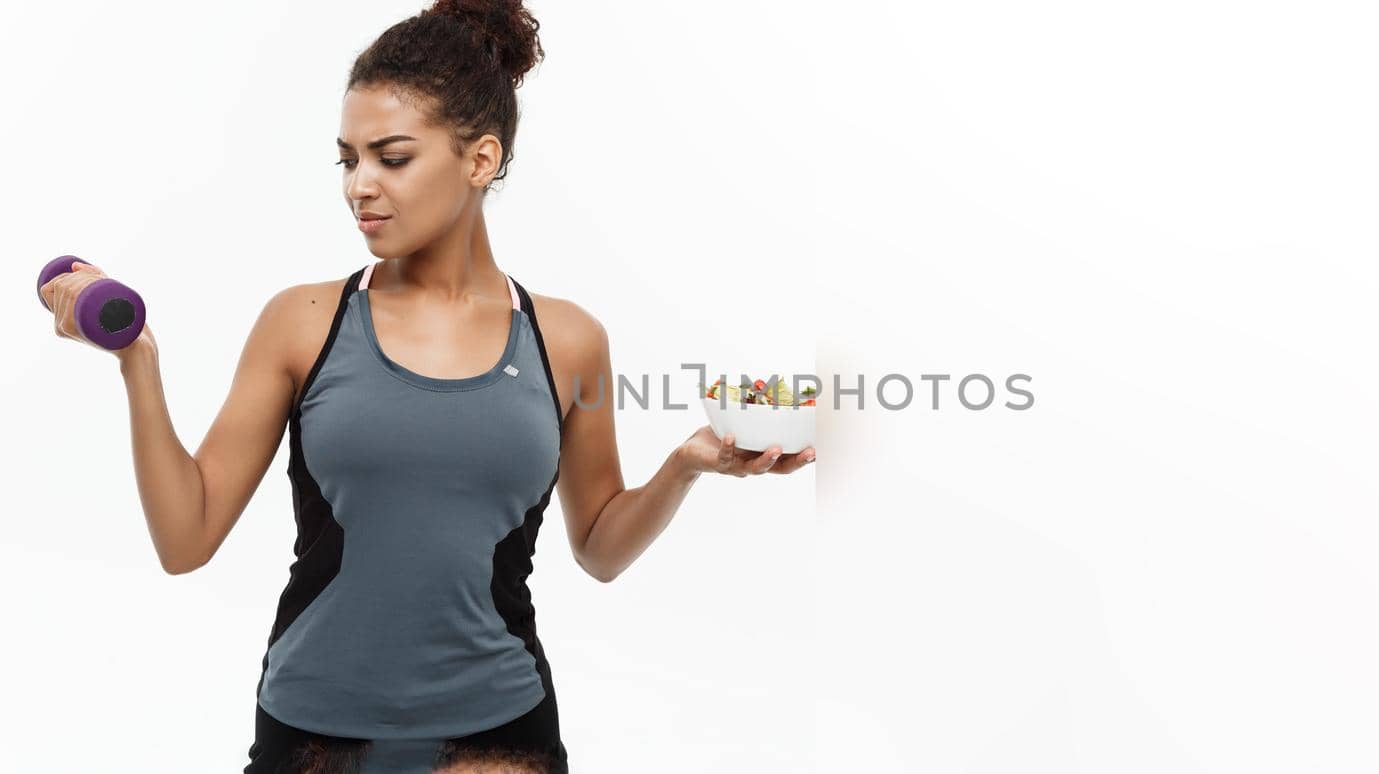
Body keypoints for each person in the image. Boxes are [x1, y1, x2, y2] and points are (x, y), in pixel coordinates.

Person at [37, 1, 816, 772]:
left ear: (479, 160)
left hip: (500, 731)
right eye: (348, 159)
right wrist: (138, 359)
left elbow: (600, 550)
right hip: (311, 734)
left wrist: (685, 464)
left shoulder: (567, 340)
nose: (359, 186)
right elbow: (186, 538)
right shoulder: (303, 323)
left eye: (392, 157)